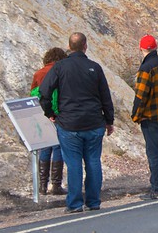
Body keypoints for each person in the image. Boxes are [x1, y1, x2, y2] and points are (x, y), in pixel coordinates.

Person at [40, 33, 115, 214]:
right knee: (93, 161)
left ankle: (74, 204)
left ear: (69, 46)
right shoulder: (94, 68)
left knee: (73, 163)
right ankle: (93, 201)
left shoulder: (60, 67)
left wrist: (50, 113)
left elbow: (44, 92)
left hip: (69, 123)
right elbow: (106, 97)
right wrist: (109, 120)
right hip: (94, 122)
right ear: (85, 46)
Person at [131, 35, 158, 201]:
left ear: (142, 49)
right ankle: (156, 185)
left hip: (151, 117)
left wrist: (135, 116)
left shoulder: (146, 69)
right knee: (157, 151)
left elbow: (140, 96)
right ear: (155, 47)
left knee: (153, 153)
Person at [30, 47, 67, 196]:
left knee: (45, 147)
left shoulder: (39, 73)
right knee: (58, 147)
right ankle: (56, 185)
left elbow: (33, 93)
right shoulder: (61, 71)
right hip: (58, 113)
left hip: (42, 113)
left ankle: (42, 186)